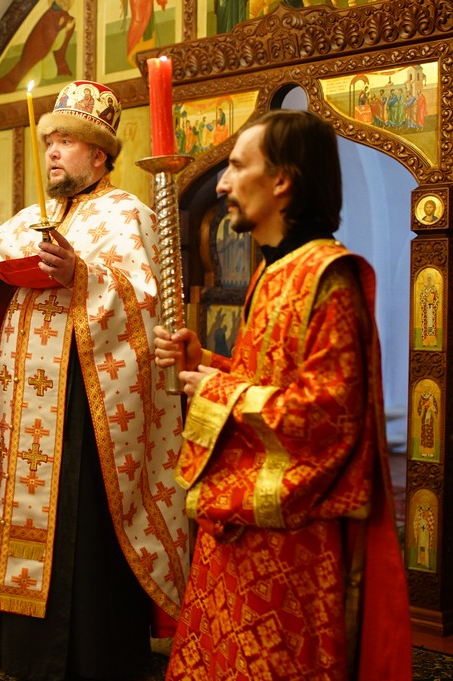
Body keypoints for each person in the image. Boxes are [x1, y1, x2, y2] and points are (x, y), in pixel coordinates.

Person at [0, 80, 187, 681]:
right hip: (18, 409)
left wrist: (83, 276)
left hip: (81, 407)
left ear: (98, 155)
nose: (52, 151)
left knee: (76, 518)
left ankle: (83, 651)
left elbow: (146, 304)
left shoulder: (129, 214)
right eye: (50, 140)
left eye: (66, 142)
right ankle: (9, 639)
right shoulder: (28, 220)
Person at [153, 110, 411, 680]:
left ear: (282, 181)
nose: (223, 184)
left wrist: (217, 388)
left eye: (236, 166)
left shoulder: (329, 277)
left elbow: (328, 415)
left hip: (292, 539)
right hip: (241, 522)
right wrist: (208, 362)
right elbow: (267, 376)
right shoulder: (273, 271)